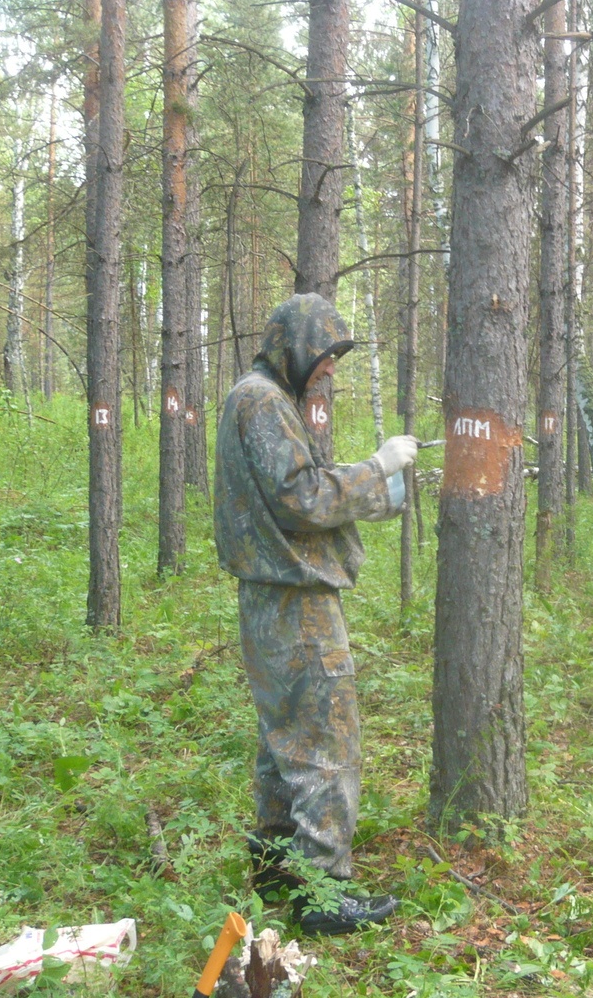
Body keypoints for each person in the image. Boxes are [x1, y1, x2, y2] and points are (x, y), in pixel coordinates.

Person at [213, 293, 417, 935]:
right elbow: (301, 497)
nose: (329, 370)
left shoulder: (264, 397)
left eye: (335, 360)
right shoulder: (263, 400)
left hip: (274, 593)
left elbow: (291, 493)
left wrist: (378, 493)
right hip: (293, 599)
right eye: (324, 357)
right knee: (326, 739)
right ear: (297, 348)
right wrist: (377, 467)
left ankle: (276, 866)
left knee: (285, 741)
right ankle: (322, 893)